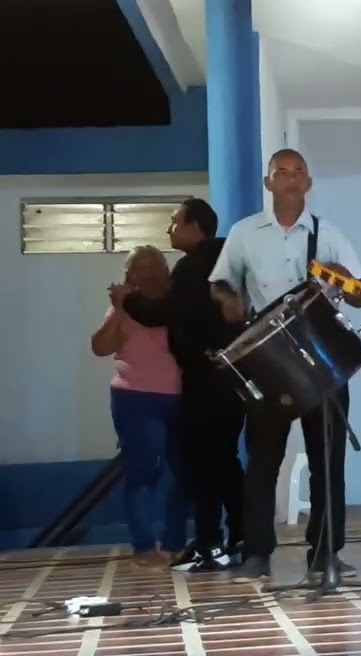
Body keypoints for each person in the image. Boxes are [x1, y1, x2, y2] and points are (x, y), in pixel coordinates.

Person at [208, 148, 361, 582]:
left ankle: (325, 553)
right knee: (263, 459)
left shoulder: (328, 233)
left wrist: (339, 275)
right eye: (282, 172)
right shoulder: (244, 233)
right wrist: (228, 301)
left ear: (308, 182)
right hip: (268, 360)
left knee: (327, 460)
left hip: (322, 357)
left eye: (298, 172)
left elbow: (359, 294)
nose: (291, 179)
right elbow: (219, 284)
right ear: (269, 183)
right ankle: (257, 552)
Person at [121, 198, 244, 572]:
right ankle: (240, 534)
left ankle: (210, 540)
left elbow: (163, 312)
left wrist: (127, 302)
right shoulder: (228, 256)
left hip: (206, 378)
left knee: (203, 463)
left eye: (174, 222)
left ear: (195, 227)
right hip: (234, 373)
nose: (169, 230)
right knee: (224, 460)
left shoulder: (194, 265)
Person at [90, 245, 186, 567]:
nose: (150, 273)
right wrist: (118, 308)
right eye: (141, 268)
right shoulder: (125, 308)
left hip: (182, 398)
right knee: (143, 473)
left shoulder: (178, 304)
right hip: (135, 398)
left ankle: (174, 544)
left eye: (156, 266)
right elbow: (100, 347)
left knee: (181, 475)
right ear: (129, 276)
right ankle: (144, 547)